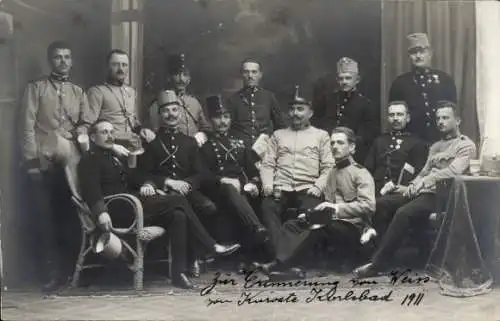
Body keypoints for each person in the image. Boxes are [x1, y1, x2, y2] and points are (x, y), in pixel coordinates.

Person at [77, 120, 241, 289]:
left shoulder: (114, 156)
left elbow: (133, 179)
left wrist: (148, 184)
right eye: (104, 132)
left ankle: (178, 273)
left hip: (131, 204)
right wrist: (100, 212)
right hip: (117, 209)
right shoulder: (90, 159)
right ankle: (211, 245)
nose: (110, 136)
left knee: (178, 215)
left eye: (112, 132)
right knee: (177, 199)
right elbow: (91, 189)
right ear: (92, 137)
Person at [354, 101, 477, 278]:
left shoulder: (466, 145)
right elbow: (424, 171)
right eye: (438, 118)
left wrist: (425, 181)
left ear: (457, 120)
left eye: (445, 118)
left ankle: (377, 264)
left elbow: (453, 172)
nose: (440, 122)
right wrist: (413, 185)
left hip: (444, 196)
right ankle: (382, 255)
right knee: (381, 204)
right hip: (425, 192)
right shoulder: (435, 146)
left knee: (404, 213)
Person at [20, 41, 88, 292]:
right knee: (46, 220)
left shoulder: (79, 92)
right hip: (44, 162)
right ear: (50, 60)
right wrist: (32, 163)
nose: (63, 61)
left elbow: (83, 123)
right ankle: (52, 274)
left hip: (69, 163)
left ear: (71, 61)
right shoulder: (36, 88)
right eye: (58, 57)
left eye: (67, 57)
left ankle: (72, 272)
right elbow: (27, 126)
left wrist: (81, 132)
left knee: (70, 217)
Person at [138, 90, 220, 275]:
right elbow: (142, 173)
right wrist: (166, 182)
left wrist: (188, 183)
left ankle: (196, 254)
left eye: (175, 110)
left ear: (181, 113)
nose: (171, 114)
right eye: (166, 111)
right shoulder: (152, 143)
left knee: (208, 207)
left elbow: (202, 173)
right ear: (159, 115)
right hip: (164, 193)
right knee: (182, 211)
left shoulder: (189, 142)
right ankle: (193, 259)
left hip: (187, 190)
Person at [259, 85, 335, 264]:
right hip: (281, 188)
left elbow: (329, 166)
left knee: (307, 215)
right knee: (267, 207)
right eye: (292, 109)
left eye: (300, 109)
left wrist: (318, 186)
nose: (295, 113)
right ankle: (282, 259)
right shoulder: (278, 135)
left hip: (308, 188)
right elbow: (267, 164)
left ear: (310, 112)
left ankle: (279, 261)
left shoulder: (321, 136)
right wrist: (268, 184)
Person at [199, 95, 271, 270]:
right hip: (217, 190)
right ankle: (256, 229)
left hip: (241, 190)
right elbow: (202, 174)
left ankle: (247, 255)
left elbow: (253, 171)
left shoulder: (242, 143)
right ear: (210, 120)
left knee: (248, 197)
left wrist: (254, 183)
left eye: (226, 116)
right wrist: (223, 179)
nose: (222, 121)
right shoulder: (205, 146)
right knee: (230, 189)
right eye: (218, 117)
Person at [389, 33, 457, 143]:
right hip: (411, 141)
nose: (418, 56)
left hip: (441, 140)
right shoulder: (399, 83)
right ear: (409, 56)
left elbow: (452, 113)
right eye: (413, 52)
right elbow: (396, 117)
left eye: (422, 51)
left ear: (430, 53)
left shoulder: (445, 80)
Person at [84, 49, 156, 153]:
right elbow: (91, 125)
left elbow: (133, 121)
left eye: (124, 65)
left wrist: (143, 130)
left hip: (133, 144)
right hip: (111, 145)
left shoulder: (131, 91)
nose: (121, 69)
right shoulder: (97, 91)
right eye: (115, 65)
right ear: (107, 67)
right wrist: (111, 145)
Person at [312, 57, 378, 163]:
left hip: (352, 153)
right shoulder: (327, 99)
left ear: (357, 80)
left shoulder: (365, 104)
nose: (344, 82)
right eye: (341, 78)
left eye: (348, 78)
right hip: (325, 150)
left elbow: (367, 134)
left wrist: (348, 146)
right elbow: (317, 122)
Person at [364, 101, 428, 196]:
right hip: (375, 192)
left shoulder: (417, 143)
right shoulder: (379, 141)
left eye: (400, 114)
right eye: (391, 115)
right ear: (387, 118)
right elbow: (367, 170)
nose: (395, 118)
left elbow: (419, 174)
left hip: (400, 193)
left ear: (408, 118)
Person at [149, 53, 211, 146]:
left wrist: (202, 135)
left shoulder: (194, 102)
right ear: (169, 77)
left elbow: (205, 127)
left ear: (189, 79)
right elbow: (153, 131)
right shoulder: (159, 102)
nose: (181, 79)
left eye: (185, 74)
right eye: (177, 74)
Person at [226, 59, 286, 151]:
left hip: (265, 149)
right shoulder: (233, 99)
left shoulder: (269, 97)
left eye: (254, 72)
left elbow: (280, 126)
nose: (250, 76)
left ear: (260, 75)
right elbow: (227, 127)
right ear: (242, 74)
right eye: (246, 72)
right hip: (241, 150)